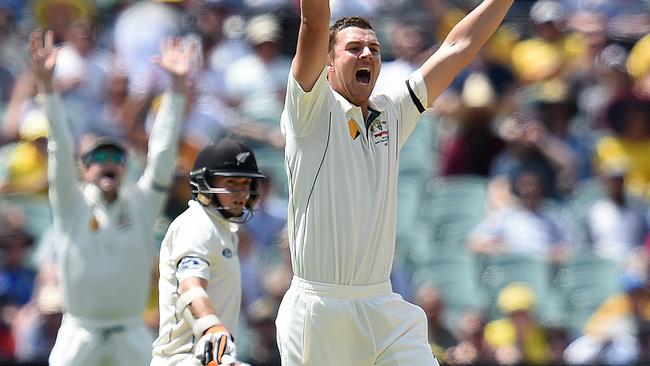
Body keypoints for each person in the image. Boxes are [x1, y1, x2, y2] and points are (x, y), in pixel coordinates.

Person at [276, 0, 514, 364]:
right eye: (353, 48)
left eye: (374, 48)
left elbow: (458, 47)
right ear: (328, 62)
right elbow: (314, 20)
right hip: (319, 308)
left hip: (382, 304)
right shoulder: (310, 110)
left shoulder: (392, 112)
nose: (367, 54)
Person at [29, 30, 190, 366]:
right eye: (97, 160)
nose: (106, 165)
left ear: (125, 168)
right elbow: (58, 145)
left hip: (131, 333)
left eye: (114, 159)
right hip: (79, 332)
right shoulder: (71, 203)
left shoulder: (143, 204)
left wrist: (176, 90)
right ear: (84, 170)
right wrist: (46, 87)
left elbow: (162, 154)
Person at [151, 138, 264, 366]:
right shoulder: (197, 225)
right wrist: (210, 325)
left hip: (210, 358)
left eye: (246, 184)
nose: (241, 193)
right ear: (204, 184)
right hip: (184, 359)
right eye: (232, 184)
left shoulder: (224, 228)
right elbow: (190, 286)